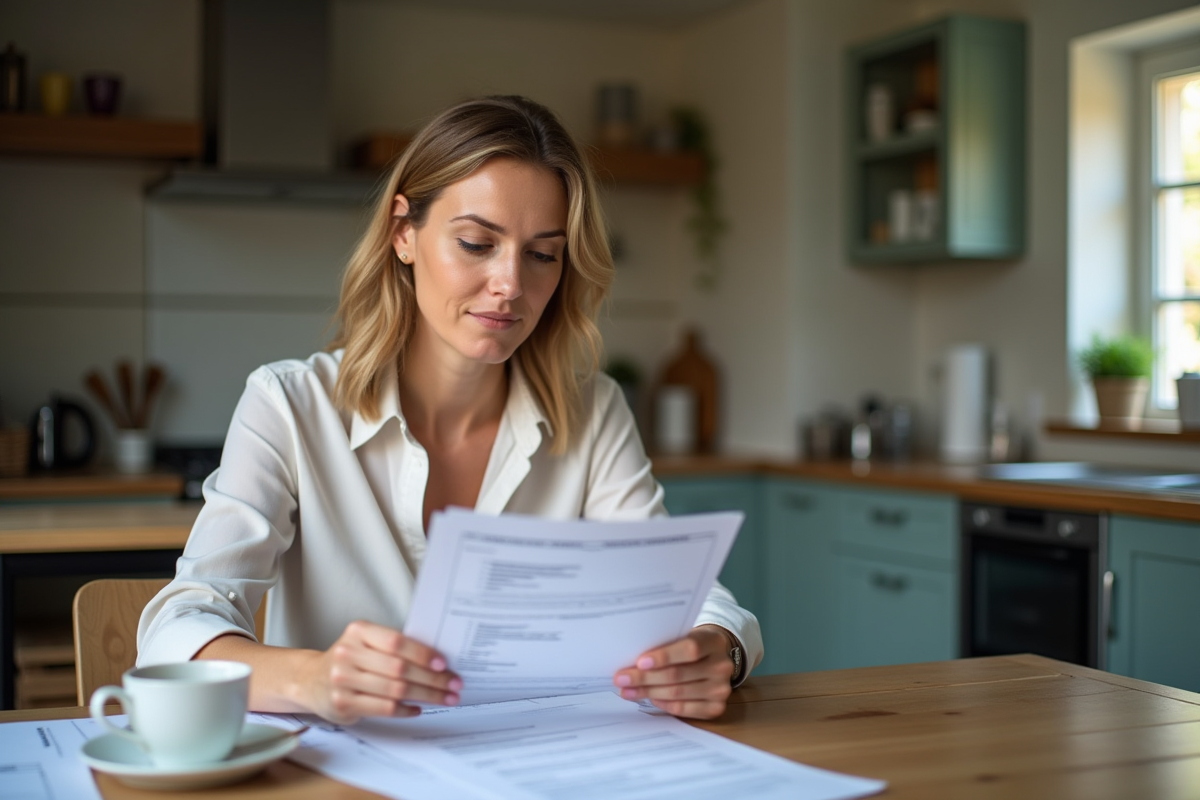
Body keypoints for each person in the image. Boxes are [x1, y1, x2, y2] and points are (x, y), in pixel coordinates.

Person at [137, 95, 762, 724]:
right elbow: (179, 624)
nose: (510, 283)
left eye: (542, 254)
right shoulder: (290, 406)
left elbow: (679, 596)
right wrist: (312, 678)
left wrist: (717, 649)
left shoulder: (594, 411)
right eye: (475, 242)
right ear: (403, 233)